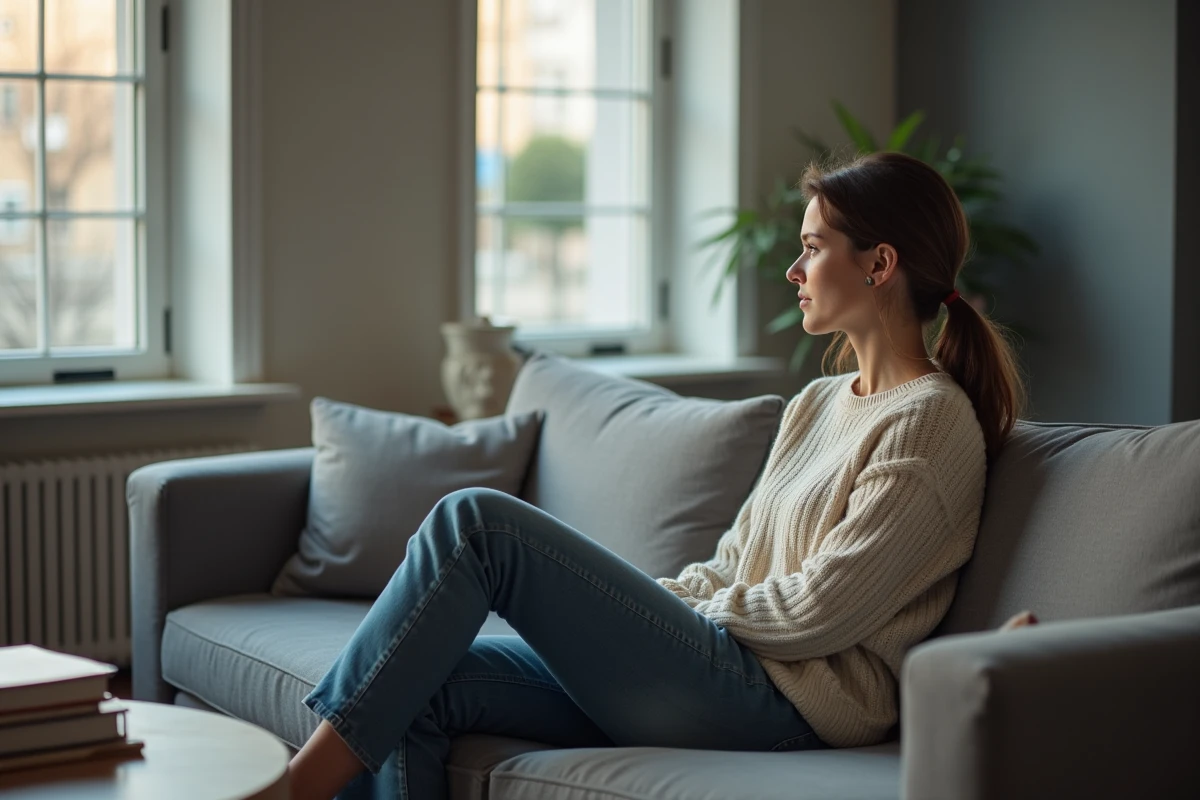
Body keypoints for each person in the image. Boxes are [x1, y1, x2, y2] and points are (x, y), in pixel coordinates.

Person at [286, 151, 1026, 800]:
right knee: (415, 682)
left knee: (475, 523)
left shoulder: (930, 420)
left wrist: (670, 621)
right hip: (721, 671)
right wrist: (653, 614)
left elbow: (820, 611)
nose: (794, 271)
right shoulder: (818, 403)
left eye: (811, 248)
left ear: (878, 264)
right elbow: (733, 560)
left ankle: (289, 792)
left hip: (786, 708)